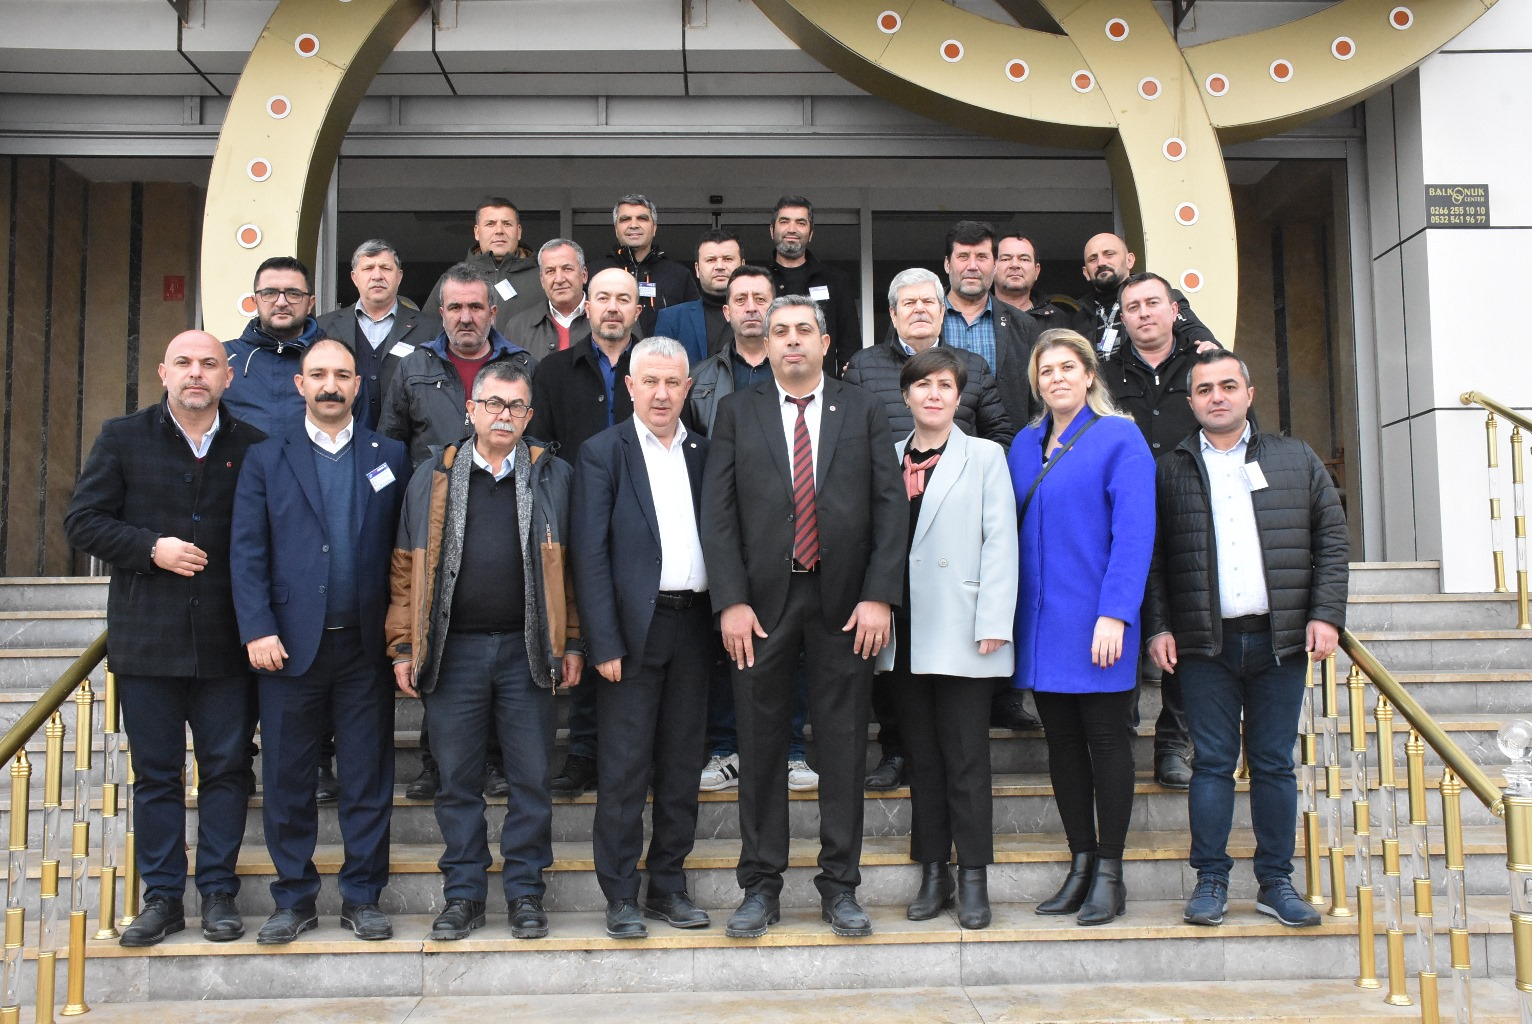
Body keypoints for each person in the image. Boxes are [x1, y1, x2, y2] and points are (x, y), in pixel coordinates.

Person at [701, 295, 907, 939]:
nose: (792, 340)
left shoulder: (863, 408)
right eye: (781, 331)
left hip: (846, 604)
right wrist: (731, 601)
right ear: (767, 343)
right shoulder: (737, 411)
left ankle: (840, 886)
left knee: (842, 745)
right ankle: (760, 886)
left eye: (803, 330)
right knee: (760, 745)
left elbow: (890, 506)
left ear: (824, 342)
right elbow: (718, 512)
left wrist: (879, 595)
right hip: (761, 605)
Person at [64, 330, 266, 947]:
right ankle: (162, 898)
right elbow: (82, 521)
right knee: (156, 775)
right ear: (163, 373)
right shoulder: (122, 437)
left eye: (208, 363)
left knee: (228, 770)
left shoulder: (254, 445)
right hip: (147, 639)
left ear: (229, 376)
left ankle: (218, 892)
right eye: (184, 363)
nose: (196, 373)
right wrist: (151, 548)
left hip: (228, 641)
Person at [1147, 350, 1349, 930]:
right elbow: (1152, 558)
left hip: (1278, 640)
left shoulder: (1295, 457)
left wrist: (1325, 615)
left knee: (1273, 764)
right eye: (1205, 389)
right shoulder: (1170, 469)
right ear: (1191, 402)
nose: (1217, 396)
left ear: (1249, 394)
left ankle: (1275, 881)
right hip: (1203, 644)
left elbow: (1331, 540)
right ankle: (1210, 879)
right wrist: (1159, 626)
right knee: (1212, 764)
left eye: (1228, 386)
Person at [385, 360, 585, 941]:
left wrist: (572, 640)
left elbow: (570, 570)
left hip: (529, 652)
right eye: (494, 403)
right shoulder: (432, 475)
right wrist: (404, 646)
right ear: (471, 410)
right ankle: (464, 895)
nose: (504, 415)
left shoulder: (554, 476)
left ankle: (525, 893)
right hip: (454, 653)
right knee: (457, 782)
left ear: (529, 415)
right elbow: (405, 569)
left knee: (531, 780)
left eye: (516, 406)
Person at [230, 339, 410, 944]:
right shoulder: (266, 456)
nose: (330, 385)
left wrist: (401, 637)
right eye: (318, 375)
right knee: (287, 780)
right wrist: (257, 627)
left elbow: (405, 552)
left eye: (342, 375)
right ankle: (293, 898)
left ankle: (363, 897)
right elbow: (247, 550)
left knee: (367, 779)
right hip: (287, 647)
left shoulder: (391, 455)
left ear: (359, 385)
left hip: (364, 648)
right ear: (299, 384)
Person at [847, 266, 1015, 790]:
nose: (920, 310)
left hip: (958, 565)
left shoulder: (973, 373)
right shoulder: (864, 371)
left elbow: (1000, 435)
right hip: (898, 568)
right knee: (910, 714)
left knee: (961, 745)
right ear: (892, 313)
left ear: (944, 312)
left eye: (930, 302)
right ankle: (899, 758)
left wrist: (966, 477)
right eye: (909, 303)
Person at [1009, 329, 1155, 927]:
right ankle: (1080, 863)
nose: (1057, 379)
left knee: (1108, 744)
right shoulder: (1024, 444)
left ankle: (1111, 874)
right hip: (1042, 626)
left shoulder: (1120, 436)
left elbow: (1135, 533)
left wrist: (1115, 614)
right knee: (1063, 747)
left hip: (1098, 623)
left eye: (1068, 368)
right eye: (1046, 371)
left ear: (1089, 375)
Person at [572, 337, 714, 939]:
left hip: (695, 627)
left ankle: (668, 887)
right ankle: (621, 894)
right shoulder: (603, 452)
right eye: (649, 381)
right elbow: (589, 555)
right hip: (632, 634)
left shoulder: (706, 452)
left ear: (687, 388)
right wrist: (603, 641)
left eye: (672, 382)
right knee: (626, 768)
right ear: (629, 386)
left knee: (682, 765)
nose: (661, 394)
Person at [379, 262, 537, 800]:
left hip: (504, 505)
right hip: (433, 515)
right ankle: (434, 762)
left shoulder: (522, 363)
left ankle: (492, 761)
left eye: (475, 307)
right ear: (441, 313)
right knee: (439, 638)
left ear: (493, 311)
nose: (465, 317)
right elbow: (392, 441)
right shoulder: (414, 365)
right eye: (455, 307)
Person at [874, 346, 1018, 930]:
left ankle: (973, 875)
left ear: (959, 398)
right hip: (904, 629)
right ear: (905, 395)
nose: (933, 395)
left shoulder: (984, 455)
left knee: (966, 758)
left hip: (965, 627)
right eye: (922, 385)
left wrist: (994, 620)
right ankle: (933, 871)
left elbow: (1000, 539)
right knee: (922, 758)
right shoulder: (887, 456)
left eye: (944, 386)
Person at [688, 266, 818, 794]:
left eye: (759, 298)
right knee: (731, 650)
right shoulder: (704, 378)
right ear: (727, 310)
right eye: (739, 298)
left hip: (795, 541)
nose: (750, 307)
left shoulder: (798, 371)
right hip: (736, 539)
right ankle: (726, 748)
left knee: (796, 656)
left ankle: (791, 751)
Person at [1103, 271, 1223, 789]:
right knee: (1122, 622)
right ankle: (1120, 738)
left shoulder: (1206, 368)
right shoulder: (1103, 375)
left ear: (1175, 310)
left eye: (1153, 303)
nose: (1143, 314)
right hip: (1119, 520)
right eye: (1133, 307)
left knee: (1187, 631)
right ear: (1122, 318)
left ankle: (1175, 742)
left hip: (1189, 514)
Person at [533, 267, 643, 799]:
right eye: (603, 298)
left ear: (638, 310)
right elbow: (540, 448)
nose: (613, 307)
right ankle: (582, 752)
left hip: (645, 525)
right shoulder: (553, 371)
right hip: (577, 522)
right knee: (584, 632)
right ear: (587, 306)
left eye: (623, 298)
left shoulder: (655, 368)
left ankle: (635, 753)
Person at [937, 221, 1043, 490]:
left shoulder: (1024, 326)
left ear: (995, 265)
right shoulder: (925, 320)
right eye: (963, 256)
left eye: (982, 257)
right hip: (935, 461)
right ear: (948, 264)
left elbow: (1037, 402)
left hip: (1006, 463)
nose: (972, 266)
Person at [315, 239, 441, 432]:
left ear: (399, 276)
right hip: (339, 438)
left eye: (385, 268)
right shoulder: (323, 326)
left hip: (408, 440)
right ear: (354, 277)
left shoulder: (430, 329)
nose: (377, 276)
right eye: (368, 268)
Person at [1071, 232, 1214, 359]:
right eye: (1093, 259)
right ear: (1086, 272)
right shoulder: (1078, 317)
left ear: (1129, 260)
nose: (1101, 262)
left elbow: (1191, 330)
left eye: (1109, 254)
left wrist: (1208, 346)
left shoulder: (1160, 296)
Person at [223, 256, 322, 436]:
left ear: (310, 303)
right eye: (269, 293)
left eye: (294, 293)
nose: (281, 302)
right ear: (255, 301)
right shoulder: (223, 358)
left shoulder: (334, 360)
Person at [764, 196, 861, 373]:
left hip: (823, 385)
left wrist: (846, 383)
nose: (791, 229)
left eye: (800, 223)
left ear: (811, 233)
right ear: (772, 230)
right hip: (765, 384)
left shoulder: (836, 280)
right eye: (784, 221)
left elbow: (850, 344)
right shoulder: (757, 280)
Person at [424, 197, 541, 332]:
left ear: (519, 231)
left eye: (507, 224)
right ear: (477, 232)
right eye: (490, 224)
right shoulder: (452, 279)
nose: (499, 230)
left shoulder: (542, 279)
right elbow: (427, 331)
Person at [588, 194, 699, 336]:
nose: (634, 225)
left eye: (642, 218)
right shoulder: (595, 272)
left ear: (654, 228)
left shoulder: (678, 275)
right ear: (616, 229)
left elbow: (694, 325)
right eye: (625, 219)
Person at [653, 228, 744, 363]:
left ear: (742, 265)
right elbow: (660, 369)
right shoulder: (672, 319)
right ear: (697, 269)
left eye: (728, 259)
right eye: (711, 260)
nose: (719, 266)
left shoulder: (764, 315)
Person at [502, 238, 592, 360]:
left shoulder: (605, 319)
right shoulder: (518, 326)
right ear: (542, 280)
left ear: (584, 275)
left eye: (567, 269)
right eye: (550, 271)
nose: (559, 279)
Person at [993, 233, 1069, 327]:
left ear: (1037, 271)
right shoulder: (979, 313)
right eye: (1005, 259)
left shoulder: (1058, 320)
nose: (1015, 265)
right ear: (992, 268)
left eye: (1024, 259)